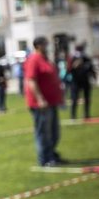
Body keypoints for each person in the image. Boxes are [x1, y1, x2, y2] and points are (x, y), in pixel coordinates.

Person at [24, 37, 65, 167]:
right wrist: (40, 99)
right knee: (43, 132)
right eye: (44, 44)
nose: (47, 46)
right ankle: (44, 158)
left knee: (54, 131)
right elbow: (31, 81)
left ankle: (52, 154)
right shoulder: (34, 59)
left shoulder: (46, 58)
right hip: (40, 104)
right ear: (38, 45)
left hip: (52, 102)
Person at [68, 44, 96, 120]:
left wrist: (94, 78)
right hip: (75, 81)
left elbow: (91, 68)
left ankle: (86, 114)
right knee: (74, 99)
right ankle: (73, 116)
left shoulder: (86, 58)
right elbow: (69, 70)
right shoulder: (72, 58)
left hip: (85, 81)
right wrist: (75, 65)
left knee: (87, 98)